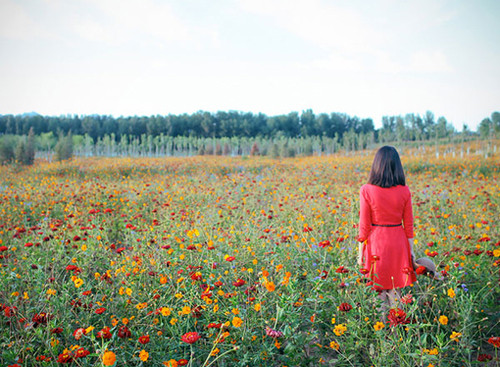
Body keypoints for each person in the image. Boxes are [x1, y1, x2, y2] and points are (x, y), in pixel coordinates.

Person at [357, 146, 417, 313]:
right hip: (398, 242)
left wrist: (360, 253)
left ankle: (383, 330)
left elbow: (364, 225)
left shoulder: (366, 190)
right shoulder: (404, 191)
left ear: (376, 165)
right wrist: (410, 251)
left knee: (379, 289)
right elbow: (409, 225)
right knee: (395, 289)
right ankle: (396, 331)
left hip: (377, 243)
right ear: (397, 166)